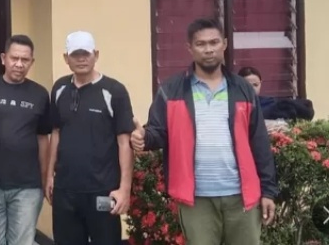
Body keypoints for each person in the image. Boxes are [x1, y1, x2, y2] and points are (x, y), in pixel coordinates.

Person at [131, 18, 278, 245]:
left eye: (214, 42)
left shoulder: (243, 89)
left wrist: (268, 191)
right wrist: (144, 138)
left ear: (224, 44)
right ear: (190, 48)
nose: (208, 49)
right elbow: (158, 132)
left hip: (241, 197)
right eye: (200, 44)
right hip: (196, 199)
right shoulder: (171, 89)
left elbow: (259, 143)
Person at [45, 31, 135, 245]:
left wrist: (124, 189)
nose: (81, 59)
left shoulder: (114, 91)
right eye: (75, 54)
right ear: (66, 58)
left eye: (86, 54)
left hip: (102, 191)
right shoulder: (59, 88)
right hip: (66, 190)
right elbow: (55, 132)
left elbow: (125, 142)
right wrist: (49, 176)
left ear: (96, 55)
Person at [0, 35, 51, 245]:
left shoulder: (40, 94)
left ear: (32, 62)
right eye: (14, 58)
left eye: (25, 60)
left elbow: (43, 138)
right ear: (3, 58)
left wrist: (44, 178)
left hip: (27, 186)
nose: (19, 64)